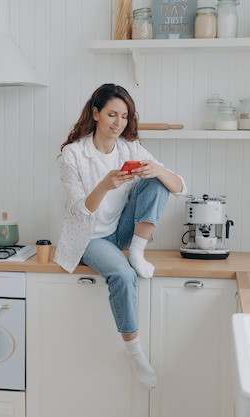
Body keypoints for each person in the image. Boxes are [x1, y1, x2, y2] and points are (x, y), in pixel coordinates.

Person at [53, 83, 187, 388]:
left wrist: (157, 170)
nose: (119, 123)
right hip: (89, 239)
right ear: (96, 113)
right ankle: (135, 352)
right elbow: (80, 210)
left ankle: (138, 251)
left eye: (125, 116)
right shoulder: (72, 155)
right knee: (124, 277)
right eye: (112, 114)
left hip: (121, 233)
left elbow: (179, 187)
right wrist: (104, 185)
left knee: (156, 181)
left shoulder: (130, 149)